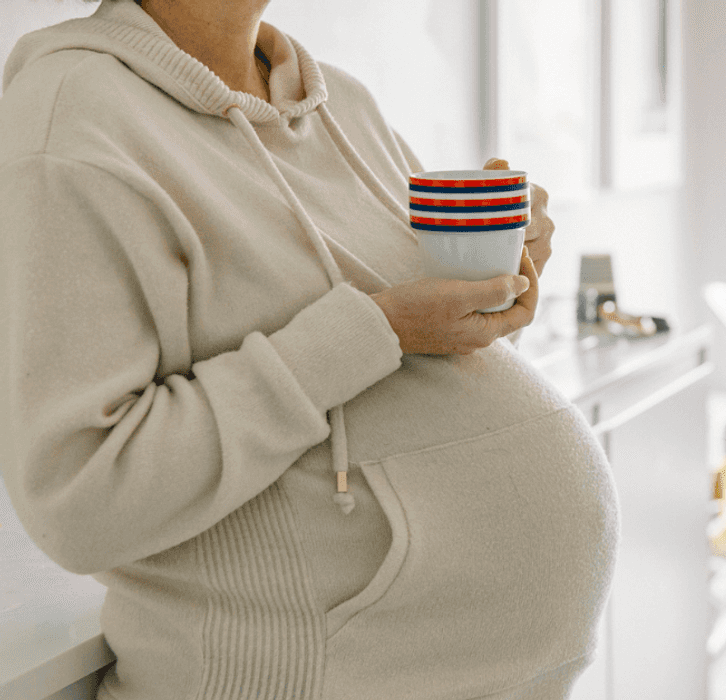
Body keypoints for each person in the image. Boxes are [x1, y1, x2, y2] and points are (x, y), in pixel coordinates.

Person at [0, 0, 619, 698]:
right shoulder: (72, 120)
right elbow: (83, 498)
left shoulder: (339, 103)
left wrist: (493, 279)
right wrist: (375, 329)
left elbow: (412, 360)